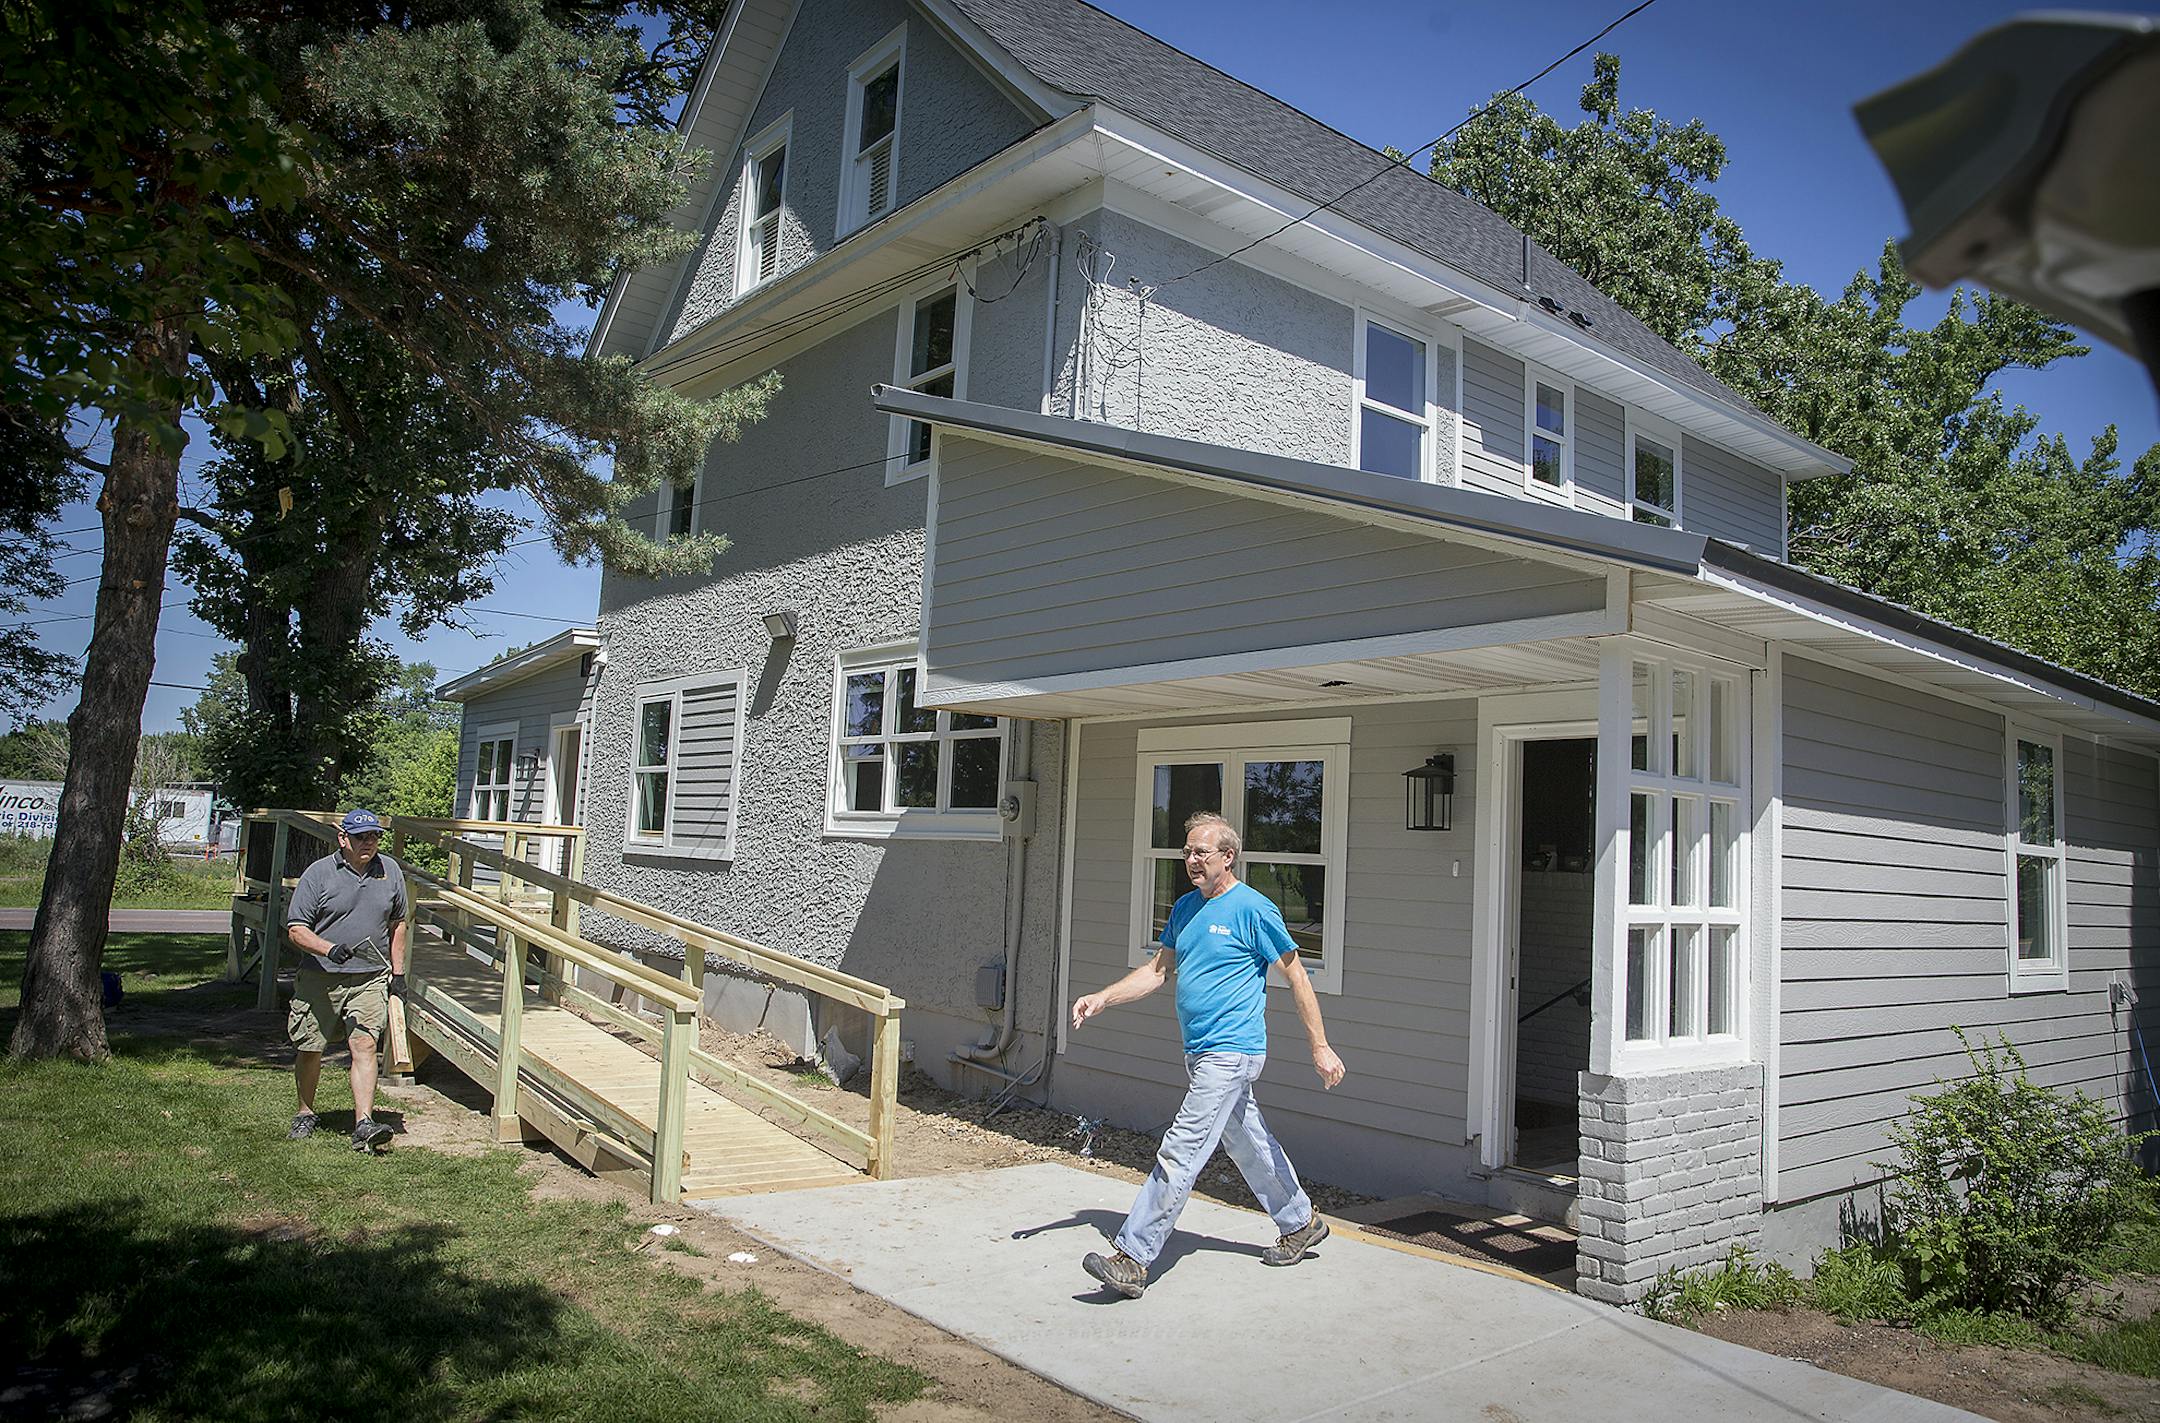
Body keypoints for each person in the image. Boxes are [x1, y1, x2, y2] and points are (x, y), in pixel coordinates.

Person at [1069, 811, 1347, 1299]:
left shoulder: (1254, 909)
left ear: (1228, 856)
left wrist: (1319, 1046)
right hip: (1199, 1051)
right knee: (1247, 1141)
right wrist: (1102, 998)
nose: (1192, 860)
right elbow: (1157, 971)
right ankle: (1300, 1221)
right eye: (1188, 852)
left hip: (1232, 1050)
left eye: (1202, 852)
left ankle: (1133, 1256)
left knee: (1183, 1147)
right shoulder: (1185, 909)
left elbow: (1297, 976)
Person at [283, 808, 409, 1151]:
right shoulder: (319, 875)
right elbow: (296, 929)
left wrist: (398, 974)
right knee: (310, 1047)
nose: (369, 843)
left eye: (374, 836)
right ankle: (305, 1112)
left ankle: (364, 1124)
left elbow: (399, 923)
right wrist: (328, 949)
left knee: (365, 1044)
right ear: (343, 839)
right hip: (320, 976)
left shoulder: (390, 871)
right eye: (361, 837)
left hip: (370, 976)